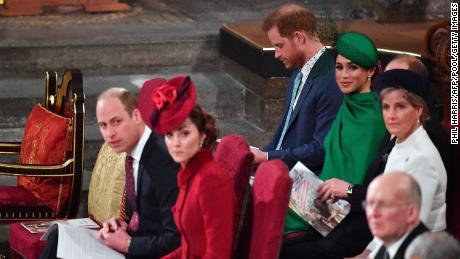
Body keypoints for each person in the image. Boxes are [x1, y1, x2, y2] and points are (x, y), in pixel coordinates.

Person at [280, 32, 387, 259]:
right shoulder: (347, 105)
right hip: (322, 200)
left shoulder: (375, 119)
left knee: (275, 233)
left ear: (370, 71)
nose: (344, 75)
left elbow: (353, 186)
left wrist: (302, 201)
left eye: (353, 68)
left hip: (345, 213)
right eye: (339, 67)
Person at [40, 88, 180, 259]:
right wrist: (120, 225)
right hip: (133, 244)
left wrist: (128, 244)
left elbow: (177, 238)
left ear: (136, 116)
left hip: (148, 253)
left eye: (117, 122)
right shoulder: (132, 155)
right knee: (59, 237)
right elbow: (142, 216)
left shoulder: (163, 160)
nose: (109, 134)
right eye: (103, 125)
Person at [138, 75, 236, 258]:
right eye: (169, 135)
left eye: (184, 133)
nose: (176, 143)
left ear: (202, 135)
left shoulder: (211, 180)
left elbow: (218, 255)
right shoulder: (189, 174)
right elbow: (188, 247)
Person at [252, 3, 343, 171]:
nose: (276, 54)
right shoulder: (298, 72)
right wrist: (261, 155)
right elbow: (285, 134)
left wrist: (266, 157)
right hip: (282, 170)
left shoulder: (332, 79)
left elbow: (321, 150)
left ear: (299, 38)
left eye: (279, 45)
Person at [365, 172, 428, 259]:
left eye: (384, 205)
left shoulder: (427, 253)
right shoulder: (390, 243)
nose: (373, 213)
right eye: (370, 204)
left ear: (411, 212)